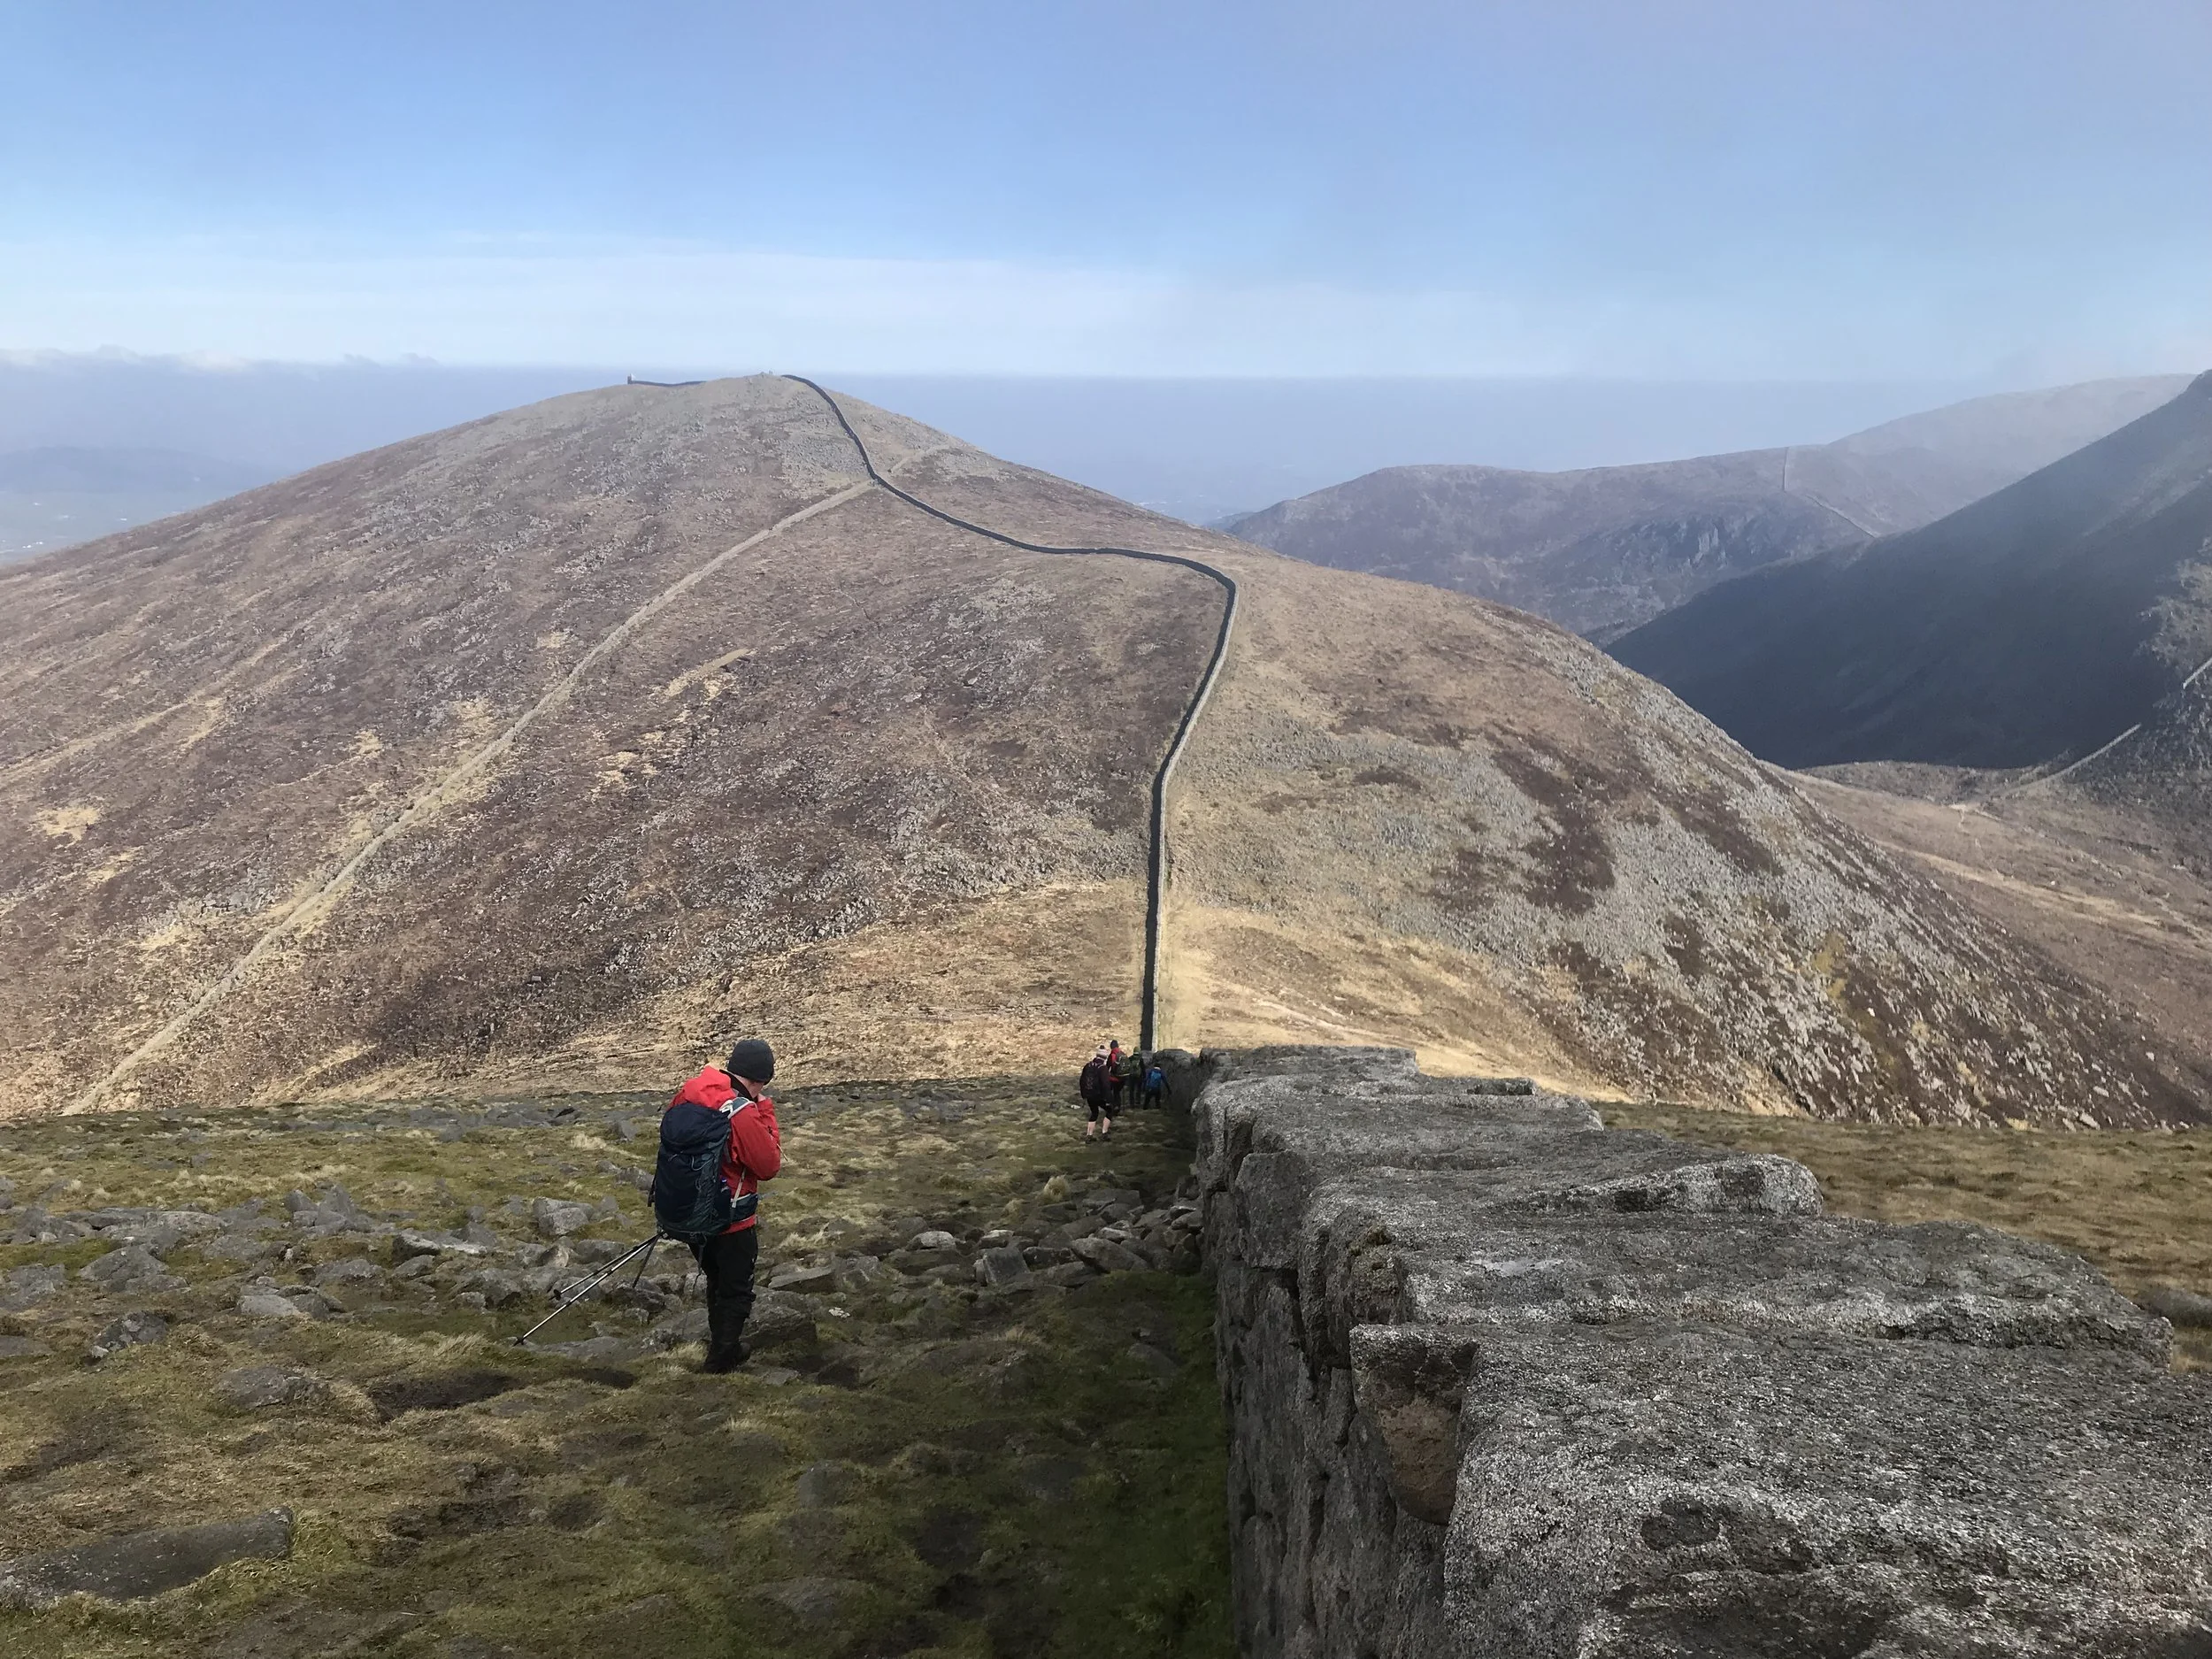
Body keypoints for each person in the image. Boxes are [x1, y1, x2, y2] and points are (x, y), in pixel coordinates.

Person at [662, 1037, 782, 1372]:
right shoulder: (742, 1111)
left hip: (688, 1213)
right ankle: (722, 1358)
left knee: (716, 1278)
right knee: (735, 1288)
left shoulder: (689, 1094)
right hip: (731, 1217)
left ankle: (721, 1345)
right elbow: (769, 1165)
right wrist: (765, 1111)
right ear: (760, 1079)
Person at [1079, 1045, 1114, 1142]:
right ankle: (1104, 1133)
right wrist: (1108, 1099)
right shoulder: (1103, 1068)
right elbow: (1106, 1085)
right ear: (1104, 1058)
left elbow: (1082, 1080)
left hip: (1089, 1095)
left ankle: (1089, 1136)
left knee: (1094, 1113)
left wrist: (1083, 1094)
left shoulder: (1088, 1065)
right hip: (1099, 1095)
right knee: (1110, 1110)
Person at [1106, 1039, 1128, 1114]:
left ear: (1111, 1047)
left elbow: (1107, 1067)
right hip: (1123, 1078)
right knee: (1117, 1092)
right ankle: (1118, 1106)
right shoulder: (1123, 1054)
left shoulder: (1112, 1055)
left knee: (1110, 1090)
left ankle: (1113, 1106)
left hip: (1115, 1078)